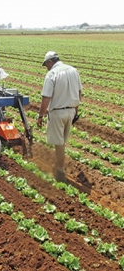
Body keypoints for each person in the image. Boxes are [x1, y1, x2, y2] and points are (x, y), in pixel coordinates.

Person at [37, 51, 82, 183]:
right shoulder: (74, 70)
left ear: (50, 62)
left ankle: (60, 170)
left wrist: (40, 115)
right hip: (71, 111)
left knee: (59, 143)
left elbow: (46, 98)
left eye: (46, 65)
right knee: (62, 142)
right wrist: (75, 112)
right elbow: (79, 93)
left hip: (57, 112)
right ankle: (59, 165)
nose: (47, 67)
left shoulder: (52, 74)